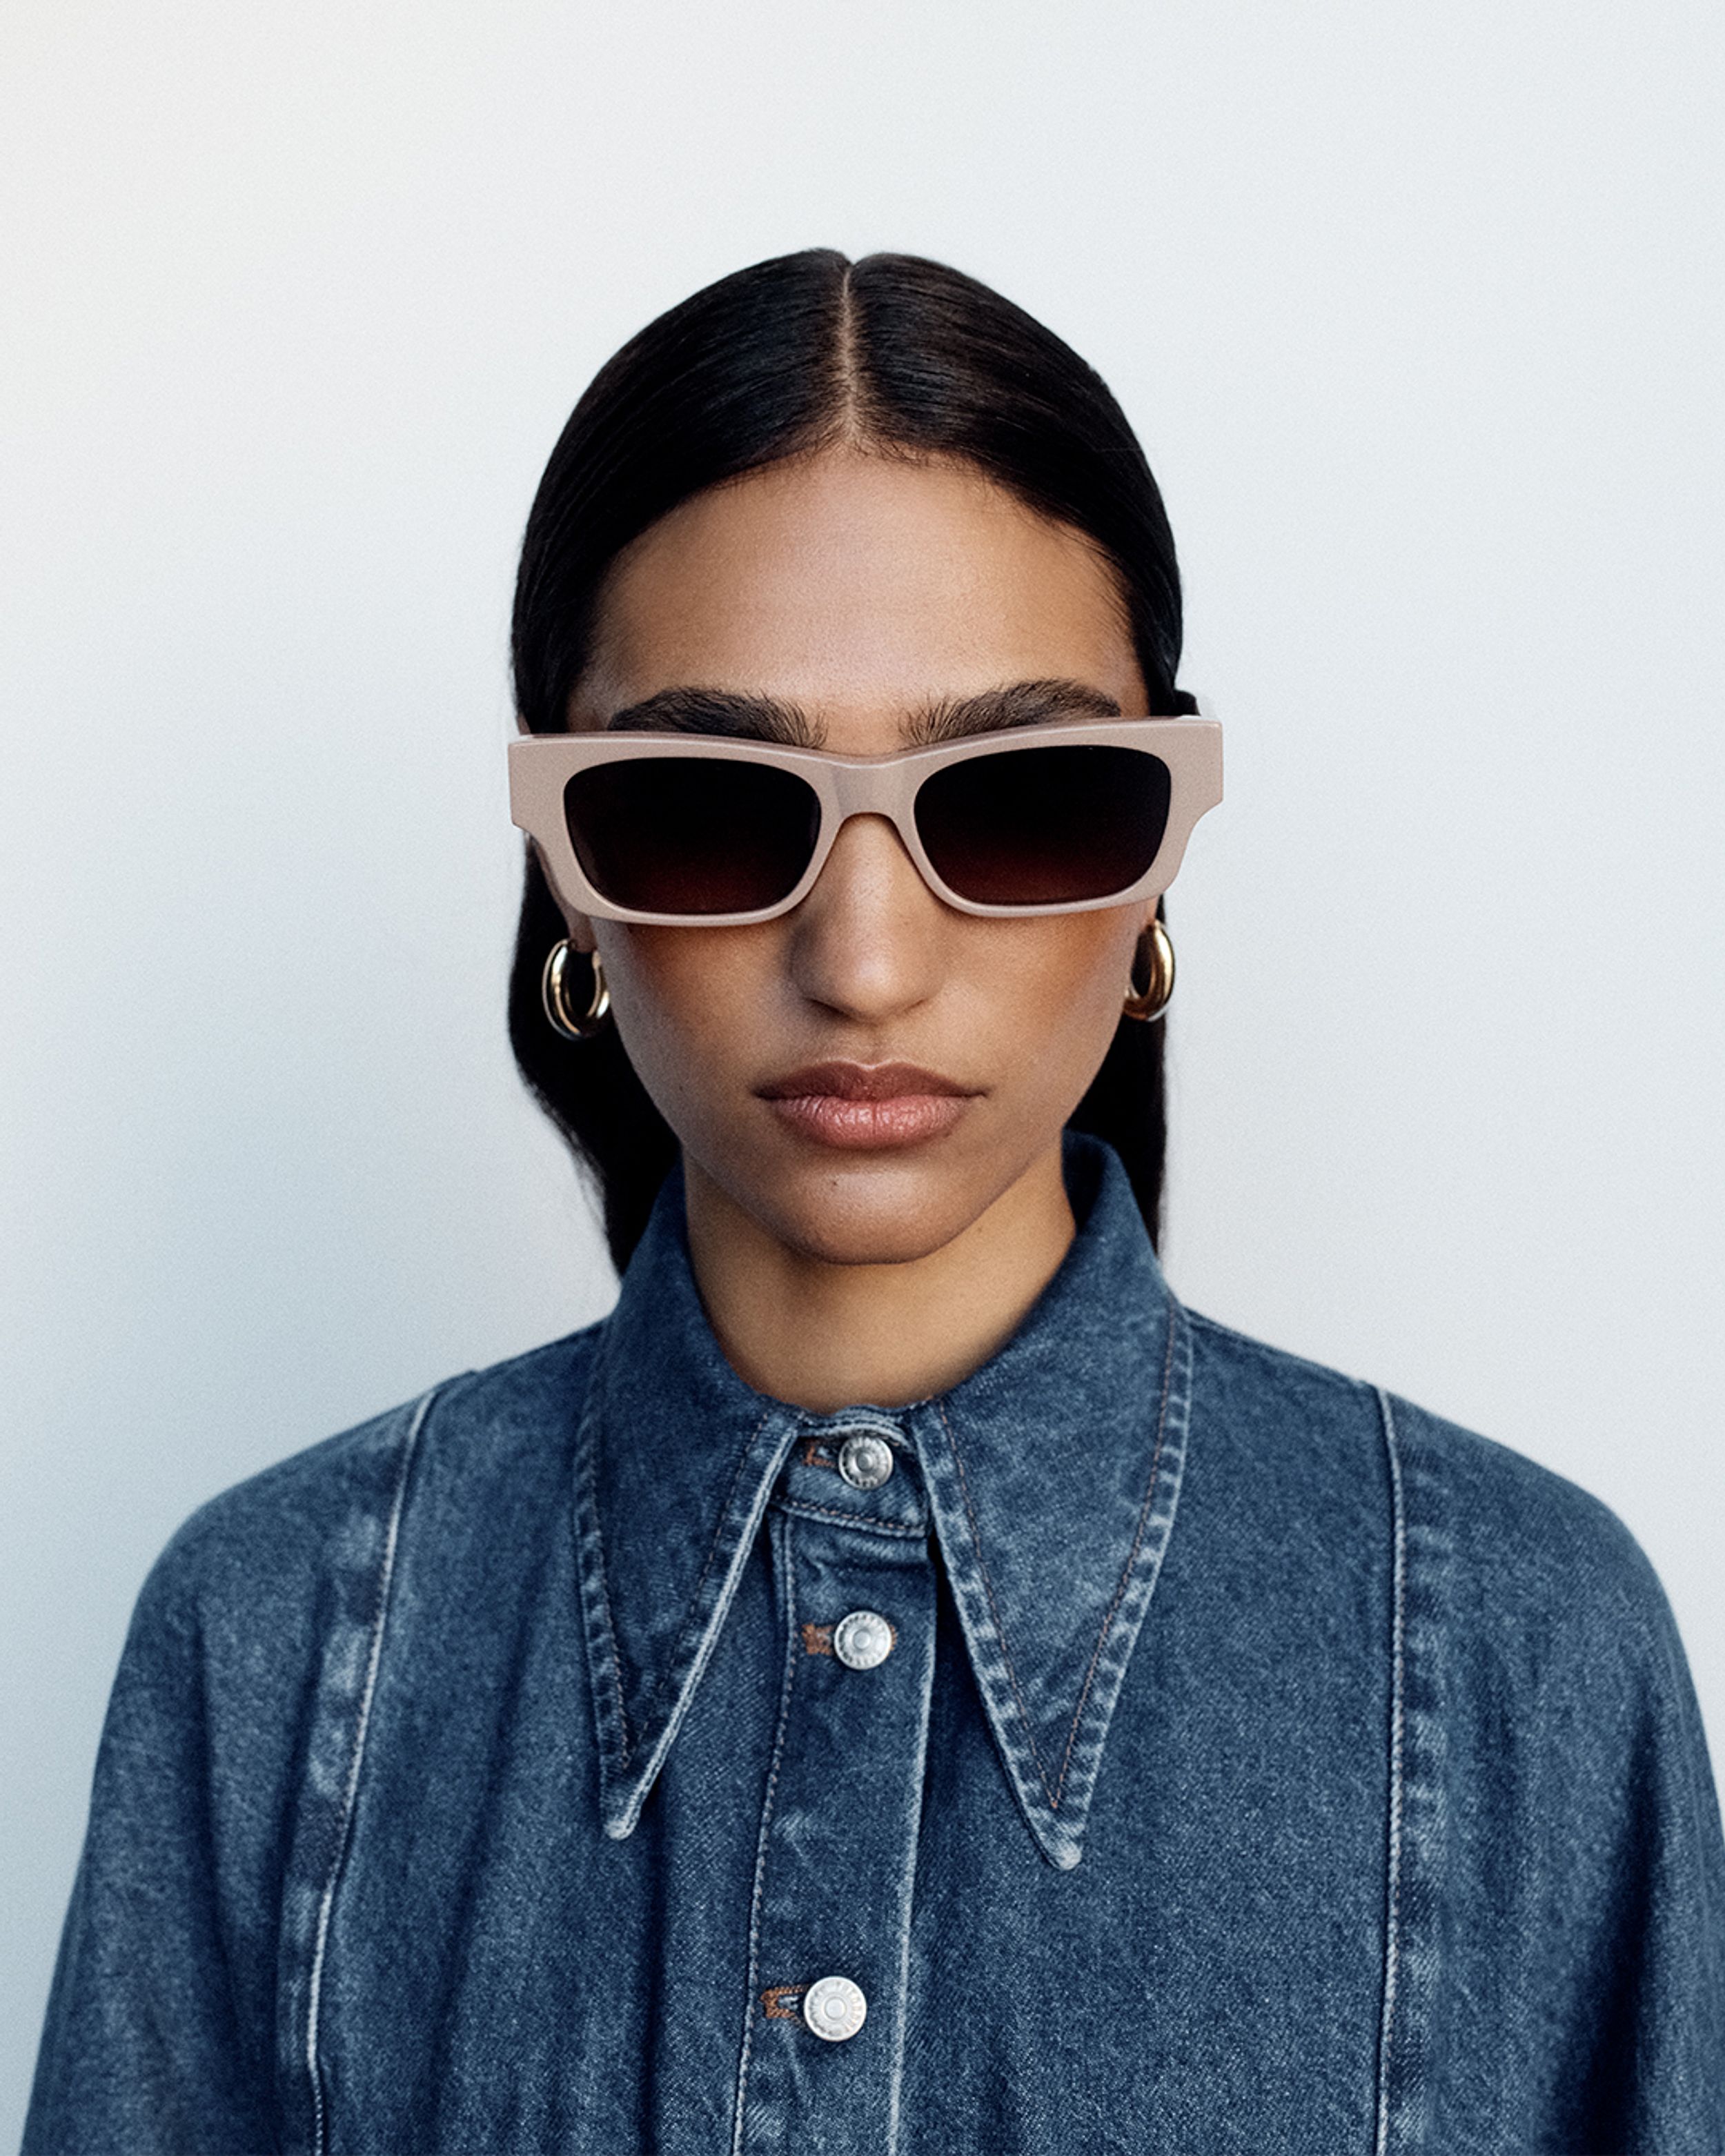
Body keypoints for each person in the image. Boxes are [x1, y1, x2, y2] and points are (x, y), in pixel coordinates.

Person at [26, 249, 1724, 2155]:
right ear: (570, 878)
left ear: (1157, 864)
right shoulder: (274, 1643)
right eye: (700, 807)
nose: (864, 960)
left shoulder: (1522, 1654)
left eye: (1019, 801)